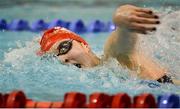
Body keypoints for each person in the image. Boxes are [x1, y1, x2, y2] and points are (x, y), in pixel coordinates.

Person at [37, 5, 180, 85]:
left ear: (84, 45)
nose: (62, 59)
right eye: (54, 58)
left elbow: (121, 39)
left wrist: (123, 18)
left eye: (63, 48)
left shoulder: (114, 58)